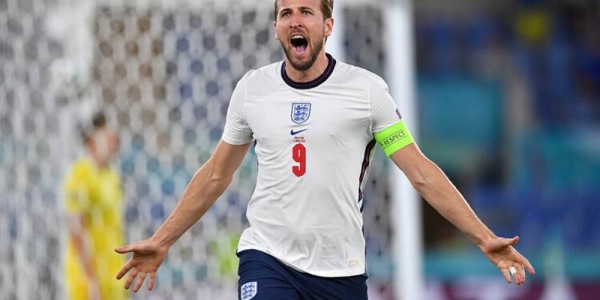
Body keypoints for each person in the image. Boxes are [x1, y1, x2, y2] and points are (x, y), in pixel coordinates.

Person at [115, 0, 536, 299]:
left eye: (306, 12)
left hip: (341, 271)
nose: (295, 21)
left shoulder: (367, 92)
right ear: (277, 26)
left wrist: (483, 238)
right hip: (268, 257)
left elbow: (420, 172)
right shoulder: (252, 90)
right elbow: (216, 175)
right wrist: (163, 239)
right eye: (285, 13)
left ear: (328, 25)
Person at [63, 112, 127, 300]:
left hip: (114, 273)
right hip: (89, 278)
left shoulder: (112, 174)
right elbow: (76, 229)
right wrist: (91, 279)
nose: (112, 137)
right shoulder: (80, 174)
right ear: (91, 139)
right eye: (105, 134)